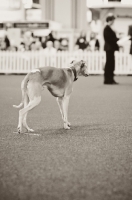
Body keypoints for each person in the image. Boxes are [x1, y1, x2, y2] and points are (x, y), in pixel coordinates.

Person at [103, 13, 119, 84]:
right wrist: (117, 38)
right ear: (110, 20)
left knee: (111, 64)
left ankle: (111, 79)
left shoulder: (109, 28)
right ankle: (108, 79)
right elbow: (109, 39)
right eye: (113, 20)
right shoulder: (106, 28)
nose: (113, 22)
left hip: (111, 49)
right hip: (109, 48)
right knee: (109, 64)